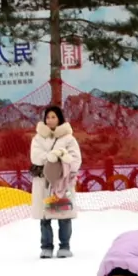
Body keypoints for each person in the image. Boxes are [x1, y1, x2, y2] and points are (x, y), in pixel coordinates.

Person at [31, 106, 81, 258]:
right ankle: (46, 247)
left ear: (59, 118)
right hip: (43, 182)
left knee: (63, 216)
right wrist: (52, 156)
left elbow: (75, 159)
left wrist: (61, 159)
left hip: (61, 182)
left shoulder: (69, 138)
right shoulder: (38, 138)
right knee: (45, 217)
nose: (50, 120)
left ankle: (64, 246)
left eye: (53, 117)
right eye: (48, 117)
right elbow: (35, 156)